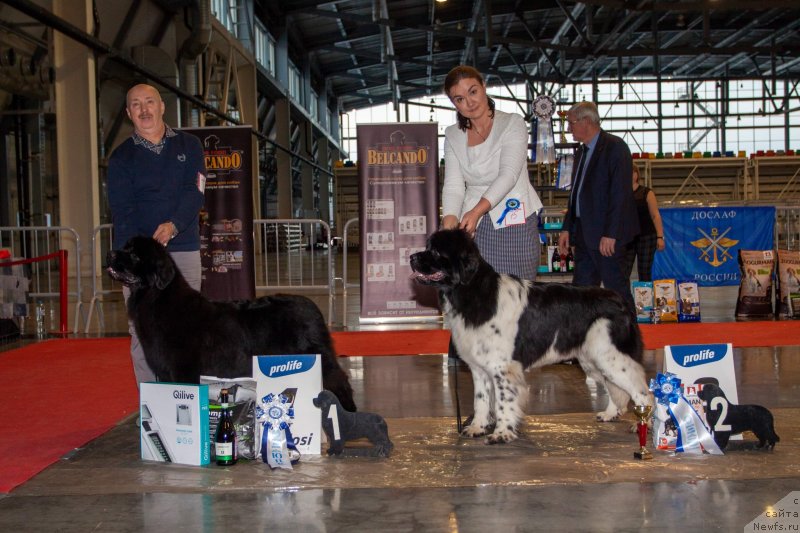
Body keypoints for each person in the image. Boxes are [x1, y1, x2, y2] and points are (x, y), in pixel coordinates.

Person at [107, 83, 206, 387]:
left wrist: (173, 225)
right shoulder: (121, 158)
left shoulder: (190, 146)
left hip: (184, 248)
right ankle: (150, 400)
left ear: (162, 106)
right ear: (129, 113)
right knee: (142, 331)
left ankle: (186, 396)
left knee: (188, 326)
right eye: (136, 104)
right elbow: (123, 212)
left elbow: (195, 192)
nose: (144, 109)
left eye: (149, 102)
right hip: (141, 262)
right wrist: (132, 259)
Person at [441, 65, 543, 281]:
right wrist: (449, 221)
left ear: (484, 87)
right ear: (454, 104)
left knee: (518, 292)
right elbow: (453, 185)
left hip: (514, 217)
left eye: (473, 91)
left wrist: (476, 212)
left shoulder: (513, 123)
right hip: (473, 224)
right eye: (459, 99)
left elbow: (509, 175)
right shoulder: (452, 135)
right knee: (474, 293)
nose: (469, 102)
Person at [557, 101, 638, 312]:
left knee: (616, 291)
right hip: (584, 235)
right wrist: (567, 227)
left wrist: (611, 233)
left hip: (607, 237)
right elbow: (576, 194)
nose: (569, 128)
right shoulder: (581, 152)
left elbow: (620, 195)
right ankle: (582, 330)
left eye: (571, 123)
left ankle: (629, 330)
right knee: (581, 292)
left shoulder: (615, 147)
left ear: (586, 121)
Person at [621, 165, 665, 281]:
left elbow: (655, 215)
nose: (630, 175)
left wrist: (660, 237)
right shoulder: (620, 194)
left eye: (633, 172)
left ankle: (645, 293)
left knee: (644, 271)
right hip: (627, 237)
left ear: (637, 175)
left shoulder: (647, 192)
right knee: (623, 272)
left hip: (647, 237)